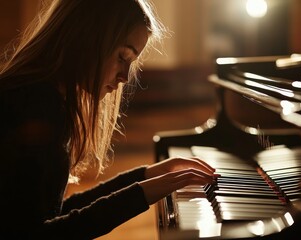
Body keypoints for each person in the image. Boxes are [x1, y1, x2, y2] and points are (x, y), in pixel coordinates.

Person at [0, 0, 219, 239]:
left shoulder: (37, 94)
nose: (125, 77)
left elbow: (51, 212)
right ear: (87, 37)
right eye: (122, 57)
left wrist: (145, 177)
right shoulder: (34, 107)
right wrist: (142, 193)